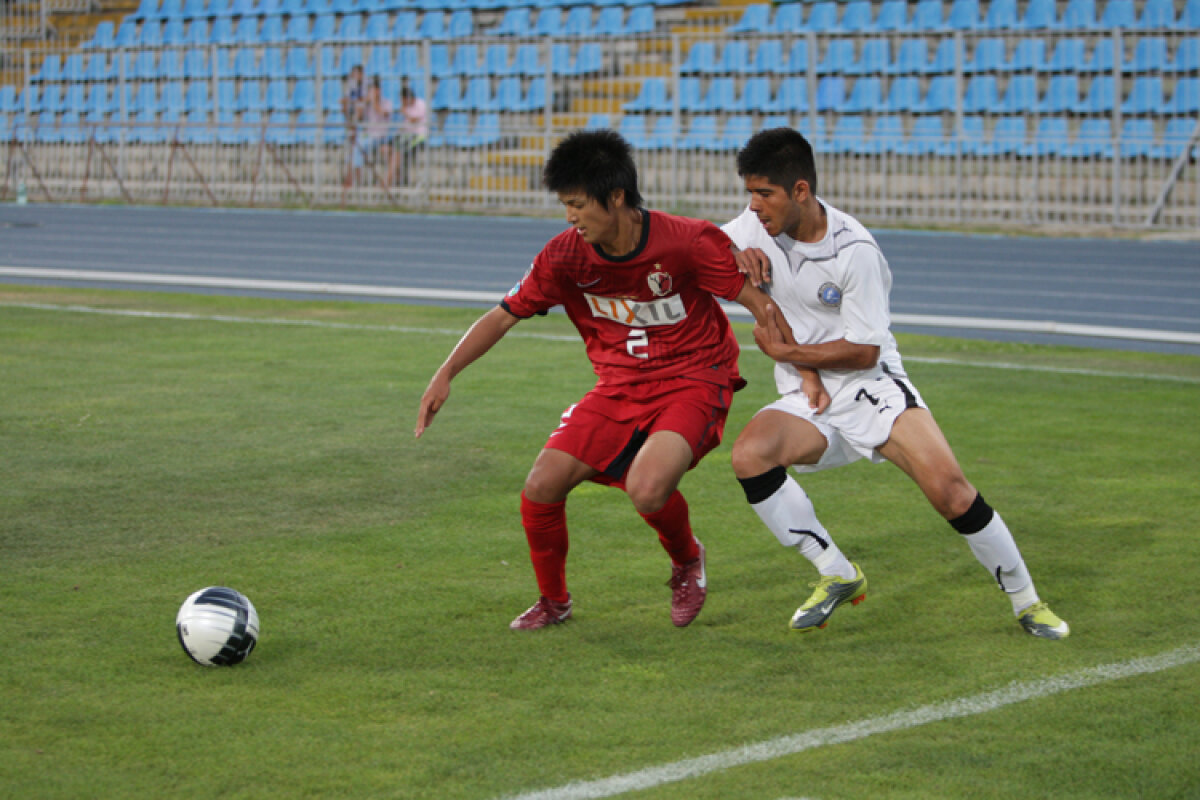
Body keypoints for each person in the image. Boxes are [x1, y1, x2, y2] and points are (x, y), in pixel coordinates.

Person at [415, 130, 794, 631]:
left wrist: (800, 366)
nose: (570, 217)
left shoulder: (685, 241)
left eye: (577, 205)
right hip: (620, 387)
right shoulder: (565, 255)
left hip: (694, 379)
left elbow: (757, 303)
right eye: (565, 205)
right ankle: (554, 602)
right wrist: (446, 372)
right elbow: (504, 315)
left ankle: (686, 560)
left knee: (647, 488)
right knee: (541, 486)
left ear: (616, 197)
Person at [723, 127, 1069, 640]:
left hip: (872, 385)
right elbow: (697, 244)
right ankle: (837, 573)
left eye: (764, 193)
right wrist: (731, 256)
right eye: (749, 193)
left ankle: (1028, 602)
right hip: (810, 397)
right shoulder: (752, 228)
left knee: (951, 494)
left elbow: (865, 350)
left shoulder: (854, 249)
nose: (753, 207)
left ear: (801, 191)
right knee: (750, 456)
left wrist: (791, 355)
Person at [344, 76, 394, 193]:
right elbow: (358, 118)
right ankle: (356, 180)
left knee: (358, 148)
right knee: (355, 149)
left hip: (382, 137)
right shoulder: (367, 104)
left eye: (374, 89)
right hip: (370, 137)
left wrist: (373, 102)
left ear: (379, 90)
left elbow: (383, 113)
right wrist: (362, 106)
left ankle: (357, 182)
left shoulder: (387, 103)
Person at [389, 85, 428, 188]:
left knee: (398, 150)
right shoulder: (406, 107)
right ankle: (397, 177)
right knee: (388, 148)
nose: (402, 102)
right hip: (407, 135)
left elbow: (414, 120)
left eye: (402, 99)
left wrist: (405, 112)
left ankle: (389, 180)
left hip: (419, 136)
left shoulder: (421, 104)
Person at [340, 65, 365, 195]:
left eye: (356, 74)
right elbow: (346, 110)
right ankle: (350, 180)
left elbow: (362, 109)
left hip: (362, 127)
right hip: (351, 125)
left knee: (357, 154)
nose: (354, 76)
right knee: (351, 153)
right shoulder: (351, 89)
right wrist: (345, 106)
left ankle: (356, 182)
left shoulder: (364, 89)